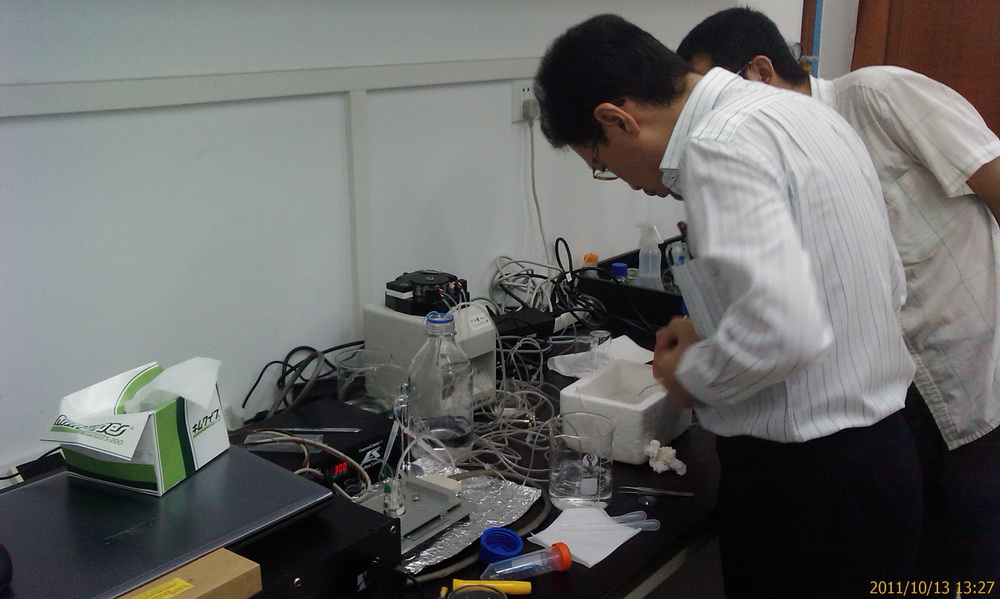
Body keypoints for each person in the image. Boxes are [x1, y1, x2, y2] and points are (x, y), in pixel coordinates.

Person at [535, 14, 921, 599]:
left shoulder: (717, 147)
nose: (626, 181)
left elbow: (785, 334)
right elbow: (870, 280)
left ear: (616, 119)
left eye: (604, 165)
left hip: (806, 489)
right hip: (881, 460)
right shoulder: (802, 112)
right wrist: (717, 323)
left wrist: (687, 372)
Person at [677, 7, 1000, 582]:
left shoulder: (876, 96)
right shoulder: (768, 156)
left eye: (714, 96)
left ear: (760, 72)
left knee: (968, 564)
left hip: (965, 377)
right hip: (883, 398)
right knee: (907, 569)